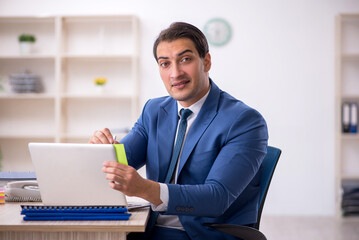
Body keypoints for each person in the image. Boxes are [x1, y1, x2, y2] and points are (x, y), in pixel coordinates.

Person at [89, 22, 268, 240]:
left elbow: (217, 197)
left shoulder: (244, 121)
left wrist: (146, 189)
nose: (175, 73)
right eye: (165, 64)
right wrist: (104, 152)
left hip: (203, 234)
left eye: (185, 59)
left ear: (206, 61)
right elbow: (123, 162)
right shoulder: (154, 110)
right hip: (148, 226)